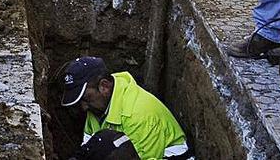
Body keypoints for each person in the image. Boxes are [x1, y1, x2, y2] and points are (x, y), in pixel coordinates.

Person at [60, 56, 191, 160]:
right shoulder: (97, 106)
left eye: (86, 99)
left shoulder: (138, 117)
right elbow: (89, 150)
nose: (83, 107)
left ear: (104, 86)